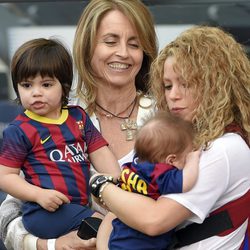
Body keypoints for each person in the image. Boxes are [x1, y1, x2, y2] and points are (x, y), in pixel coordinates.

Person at [0, 0, 158, 249]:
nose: (124, 53)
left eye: (134, 44)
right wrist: (51, 245)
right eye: (110, 41)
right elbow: (9, 212)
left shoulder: (163, 117)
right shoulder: (54, 114)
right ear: (87, 48)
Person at [90, 25, 250, 250]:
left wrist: (100, 185)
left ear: (216, 85)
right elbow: (118, 214)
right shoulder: (186, 142)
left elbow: (153, 220)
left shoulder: (225, 148)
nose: (173, 95)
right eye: (167, 86)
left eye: (186, 83)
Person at [0, 38, 121, 239]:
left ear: (64, 86)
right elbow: (5, 176)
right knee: (110, 228)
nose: (36, 93)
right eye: (27, 85)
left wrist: (119, 183)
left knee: (114, 225)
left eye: (46, 84)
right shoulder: (19, 129)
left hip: (78, 207)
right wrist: (38, 195)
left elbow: (100, 152)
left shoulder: (78, 117)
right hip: (45, 213)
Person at [96, 111, 200, 249]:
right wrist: (194, 158)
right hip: (144, 244)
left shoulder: (135, 168)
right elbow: (186, 182)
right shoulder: (161, 174)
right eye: (186, 154)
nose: (188, 157)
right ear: (171, 160)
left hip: (119, 239)